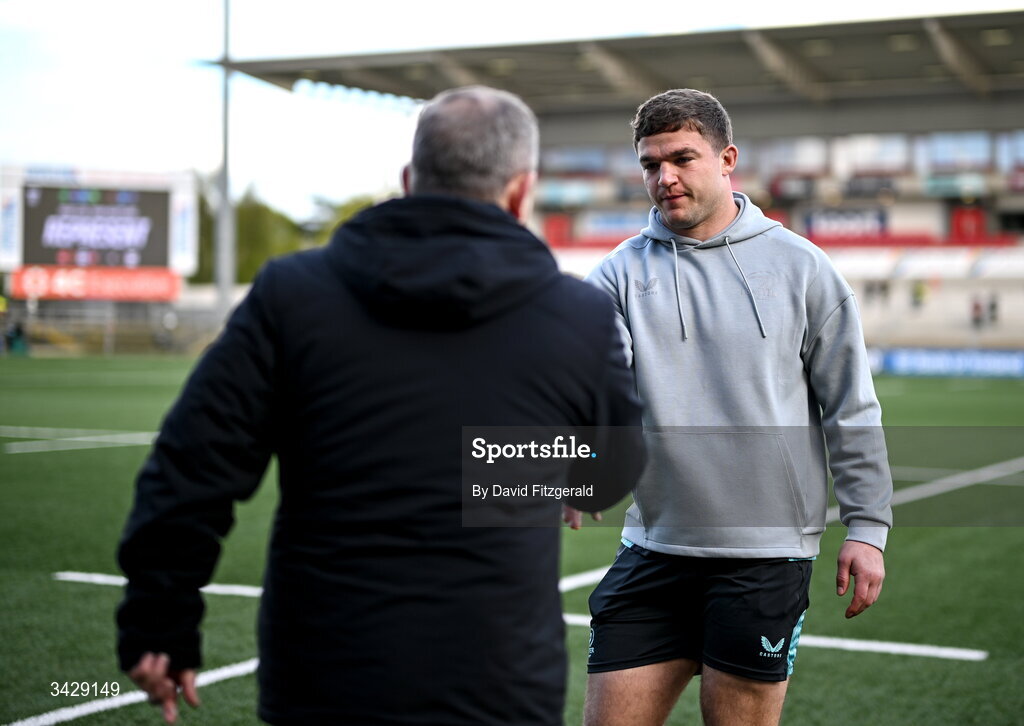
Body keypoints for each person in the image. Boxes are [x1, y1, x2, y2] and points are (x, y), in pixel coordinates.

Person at [116, 86, 646, 726]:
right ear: (519, 191)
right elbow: (614, 466)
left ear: (408, 178)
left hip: (321, 677)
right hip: (496, 679)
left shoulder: (292, 295)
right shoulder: (577, 315)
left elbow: (192, 467)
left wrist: (158, 621)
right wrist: (511, 466)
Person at [577, 89, 893, 726]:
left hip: (765, 556)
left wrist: (867, 528)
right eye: (650, 164)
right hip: (654, 548)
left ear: (727, 159)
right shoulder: (618, 273)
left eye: (682, 158)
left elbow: (851, 407)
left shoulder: (802, 268)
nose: (664, 178)